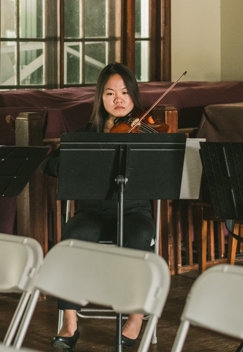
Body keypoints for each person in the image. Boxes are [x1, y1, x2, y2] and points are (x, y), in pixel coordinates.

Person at [40, 62, 156, 350]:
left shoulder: (146, 133)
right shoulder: (85, 134)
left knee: (140, 237)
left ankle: (136, 315)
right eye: (110, 93)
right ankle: (69, 321)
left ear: (134, 96)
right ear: (100, 98)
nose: (118, 100)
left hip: (134, 211)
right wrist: (79, 161)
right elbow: (49, 164)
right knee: (72, 237)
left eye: (125, 93)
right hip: (92, 211)